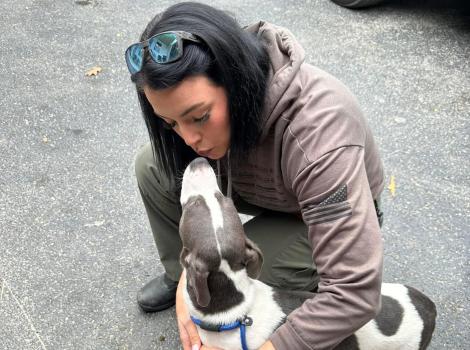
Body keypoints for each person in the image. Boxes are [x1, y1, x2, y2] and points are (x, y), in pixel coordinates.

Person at [126, 2, 385, 350]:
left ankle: (272, 281)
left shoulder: (320, 136)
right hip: (262, 187)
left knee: (244, 298)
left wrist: (270, 348)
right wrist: (189, 283)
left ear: (235, 82)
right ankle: (180, 276)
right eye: (171, 123)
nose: (188, 139)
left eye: (199, 117)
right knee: (152, 165)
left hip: (313, 217)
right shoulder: (207, 120)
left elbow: (355, 293)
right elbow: (178, 146)